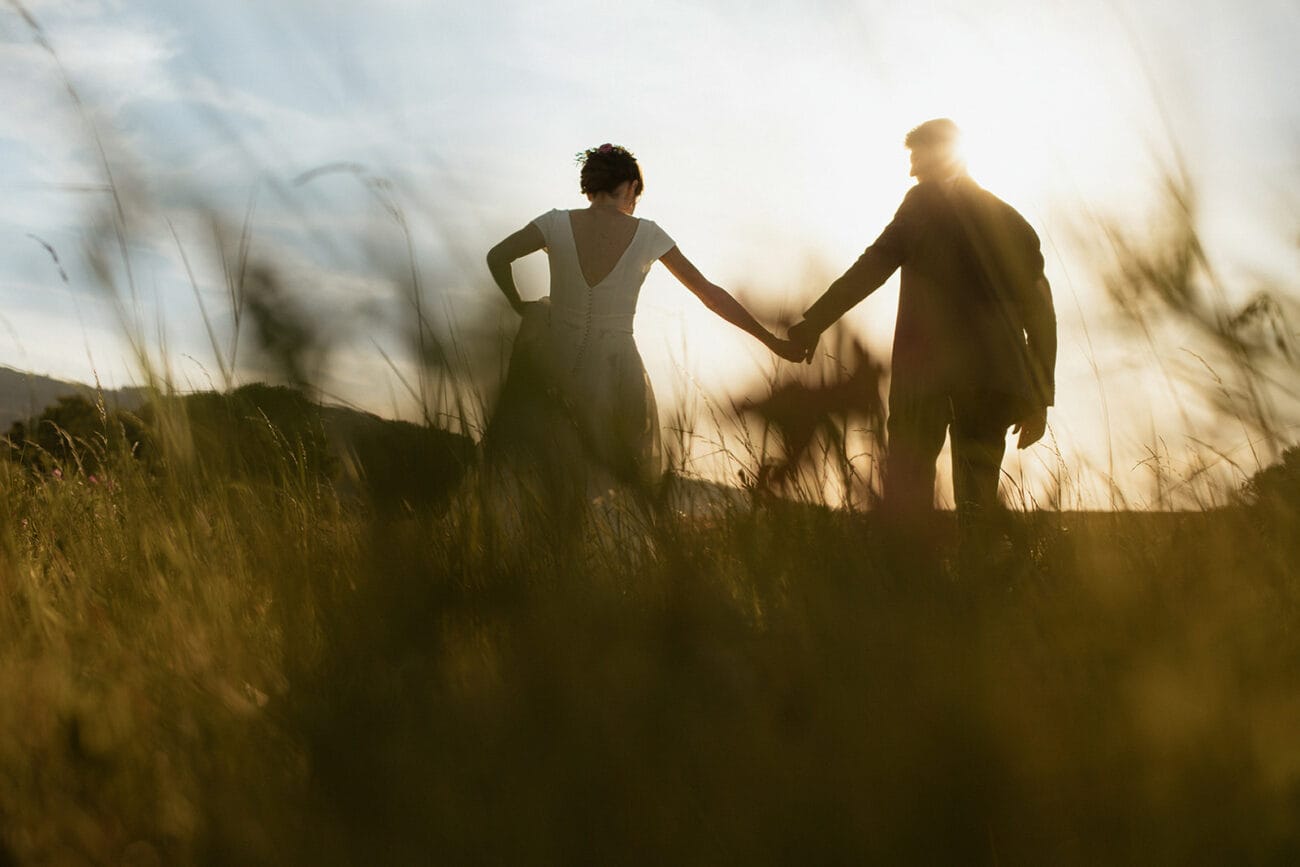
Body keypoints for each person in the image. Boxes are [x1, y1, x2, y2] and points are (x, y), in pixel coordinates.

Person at [484, 143, 803, 509]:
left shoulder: (554, 222)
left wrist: (518, 304)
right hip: (616, 372)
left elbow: (497, 257)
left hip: (554, 362)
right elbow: (710, 295)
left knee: (543, 476)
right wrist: (770, 340)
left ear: (590, 186)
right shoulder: (648, 234)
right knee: (605, 483)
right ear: (632, 186)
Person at [787, 119, 1057, 530]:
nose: (913, 172)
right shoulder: (1012, 221)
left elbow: (874, 265)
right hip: (994, 381)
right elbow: (1040, 312)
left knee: (908, 497)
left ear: (939, 157)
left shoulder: (923, 203)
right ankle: (976, 570)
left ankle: (911, 570)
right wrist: (1039, 396)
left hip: (929, 378)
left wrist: (814, 322)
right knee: (978, 504)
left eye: (918, 161)